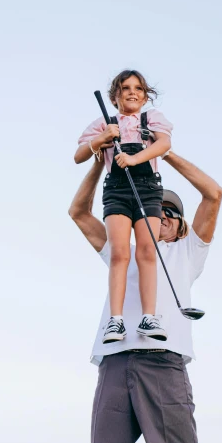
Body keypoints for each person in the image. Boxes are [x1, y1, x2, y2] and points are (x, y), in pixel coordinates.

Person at [68, 149, 222, 443]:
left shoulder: (189, 251)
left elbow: (214, 194)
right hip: (114, 363)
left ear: (180, 222)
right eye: (155, 211)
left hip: (163, 363)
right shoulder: (121, 251)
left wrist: (161, 155)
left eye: (170, 212)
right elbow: (78, 212)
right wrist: (98, 162)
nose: (162, 216)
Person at [74, 70, 172, 344]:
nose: (132, 92)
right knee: (119, 253)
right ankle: (115, 322)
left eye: (138, 88)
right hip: (117, 190)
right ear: (115, 96)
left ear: (145, 95)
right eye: (126, 88)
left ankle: (148, 317)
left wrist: (135, 158)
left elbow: (164, 143)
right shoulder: (105, 123)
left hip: (147, 188)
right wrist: (102, 138)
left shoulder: (151, 119)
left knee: (146, 250)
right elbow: (79, 155)